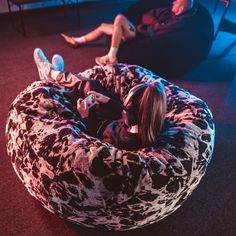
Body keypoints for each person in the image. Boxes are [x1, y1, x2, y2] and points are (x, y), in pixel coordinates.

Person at [33, 48, 167, 150]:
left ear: (133, 115)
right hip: (112, 118)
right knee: (91, 86)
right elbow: (125, 111)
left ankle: (51, 74)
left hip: (96, 124)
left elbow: (94, 139)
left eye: (126, 108)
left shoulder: (122, 141)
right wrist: (106, 100)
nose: (123, 108)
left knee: (71, 99)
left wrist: (85, 116)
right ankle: (55, 74)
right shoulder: (149, 123)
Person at [61, 0, 195, 65]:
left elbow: (158, 31)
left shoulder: (180, 21)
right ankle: (77, 41)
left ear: (182, 8)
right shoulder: (167, 11)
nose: (173, 2)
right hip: (138, 29)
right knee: (103, 26)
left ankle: (112, 56)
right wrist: (156, 22)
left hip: (138, 34)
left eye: (177, 2)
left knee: (119, 18)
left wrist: (154, 24)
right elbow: (147, 15)